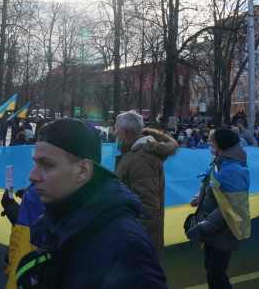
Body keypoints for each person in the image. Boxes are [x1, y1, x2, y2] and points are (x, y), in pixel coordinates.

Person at [16, 118, 167, 288]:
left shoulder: (124, 248)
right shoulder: (65, 220)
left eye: (47, 165)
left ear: (83, 170)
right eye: (35, 162)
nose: (32, 175)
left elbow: (148, 202)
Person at [185, 127, 250, 289]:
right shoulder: (221, 161)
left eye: (211, 141)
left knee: (216, 274)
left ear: (221, 143)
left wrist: (202, 227)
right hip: (214, 230)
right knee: (212, 270)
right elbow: (215, 188)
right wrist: (200, 197)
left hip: (223, 230)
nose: (209, 143)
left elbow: (229, 207)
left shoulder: (232, 169)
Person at [114, 111, 178, 259]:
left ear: (124, 131)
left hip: (138, 245)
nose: (114, 132)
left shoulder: (140, 158)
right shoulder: (133, 154)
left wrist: (128, 235)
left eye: (116, 128)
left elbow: (148, 204)